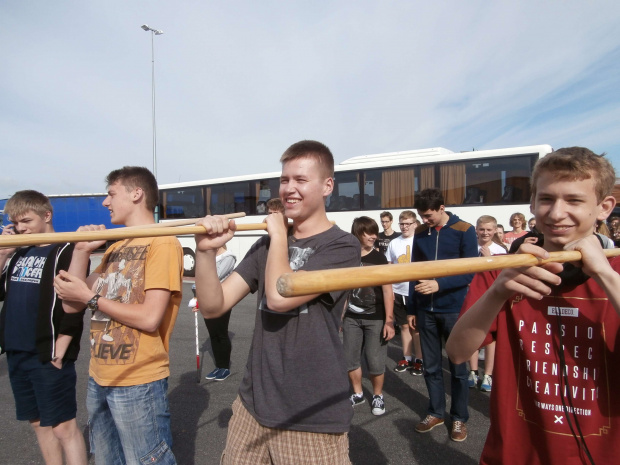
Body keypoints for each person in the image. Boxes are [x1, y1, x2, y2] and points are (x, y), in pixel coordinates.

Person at [446, 147, 620, 464]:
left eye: (574, 200)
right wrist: (498, 291)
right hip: (514, 453)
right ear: (533, 204)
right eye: (547, 199)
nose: (556, 213)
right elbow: (457, 352)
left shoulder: (615, 273)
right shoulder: (503, 271)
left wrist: (605, 275)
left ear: (604, 207)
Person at [193, 140, 360, 464]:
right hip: (252, 405)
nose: (289, 189)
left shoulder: (342, 246)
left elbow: (280, 296)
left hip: (311, 414)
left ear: (327, 186)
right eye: (284, 180)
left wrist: (280, 233)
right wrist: (205, 251)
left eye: (300, 180)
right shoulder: (266, 244)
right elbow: (214, 306)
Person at [53, 166, 183, 465]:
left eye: (111, 194)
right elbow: (72, 304)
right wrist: (81, 252)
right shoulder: (117, 246)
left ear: (136, 194)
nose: (105, 203)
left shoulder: (162, 242)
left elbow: (150, 317)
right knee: (107, 460)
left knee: (147, 459)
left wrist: (92, 299)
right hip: (99, 373)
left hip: (138, 379)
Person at [0, 190, 88, 465]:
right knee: (37, 423)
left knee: (63, 427)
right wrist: (3, 253)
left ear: (46, 215)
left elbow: (73, 300)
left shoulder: (65, 248)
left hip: (48, 351)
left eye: (26, 220)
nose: (21, 228)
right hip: (17, 349)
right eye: (15, 223)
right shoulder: (17, 252)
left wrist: (63, 345)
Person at [408, 188, 477, 442]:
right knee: (431, 366)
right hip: (425, 310)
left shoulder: (465, 229)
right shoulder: (419, 232)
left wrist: (440, 285)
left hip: (453, 309)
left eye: (428, 215)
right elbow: (414, 271)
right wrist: (412, 309)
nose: (425, 220)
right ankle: (435, 412)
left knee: (458, 369)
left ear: (441, 208)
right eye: (421, 216)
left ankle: (459, 418)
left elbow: (471, 270)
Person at [344, 217, 395, 416]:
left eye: (375, 232)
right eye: (369, 232)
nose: (375, 236)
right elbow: (344, 289)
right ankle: (358, 393)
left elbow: (388, 291)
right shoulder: (348, 258)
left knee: (375, 361)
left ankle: (377, 395)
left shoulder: (379, 258)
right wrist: (340, 316)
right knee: (350, 359)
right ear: (358, 233)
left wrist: (389, 321)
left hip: (376, 318)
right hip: (351, 318)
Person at [468, 215, 506, 392]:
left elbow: (501, 277)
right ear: (476, 229)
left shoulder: (500, 250)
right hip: (471, 296)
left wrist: (489, 259)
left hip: (491, 296)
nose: (485, 233)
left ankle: (488, 374)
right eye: (482, 229)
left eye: (489, 229)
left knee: (491, 337)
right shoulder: (468, 248)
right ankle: (473, 371)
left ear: (495, 230)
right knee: (473, 333)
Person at [189, 246, 237, 381]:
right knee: (213, 335)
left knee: (221, 333)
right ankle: (219, 366)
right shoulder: (210, 257)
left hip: (222, 299)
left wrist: (201, 281)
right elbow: (199, 276)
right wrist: (197, 298)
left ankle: (225, 368)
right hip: (207, 298)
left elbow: (215, 276)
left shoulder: (228, 257)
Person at [385, 210, 423, 375]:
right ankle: (406, 358)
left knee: (417, 328)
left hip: (416, 291)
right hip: (398, 291)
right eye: (402, 224)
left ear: (415, 224)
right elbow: (389, 266)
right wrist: (390, 289)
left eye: (408, 224)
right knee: (404, 327)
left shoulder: (421, 240)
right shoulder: (394, 242)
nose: (405, 227)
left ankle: (419, 360)